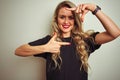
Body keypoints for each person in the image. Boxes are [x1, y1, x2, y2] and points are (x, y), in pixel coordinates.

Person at [15, 1, 120, 80]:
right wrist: (45, 47)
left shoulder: (86, 40)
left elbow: (115, 33)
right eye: (62, 17)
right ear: (57, 19)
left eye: (71, 17)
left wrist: (94, 9)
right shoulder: (50, 41)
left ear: (75, 20)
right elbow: (18, 51)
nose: (66, 21)